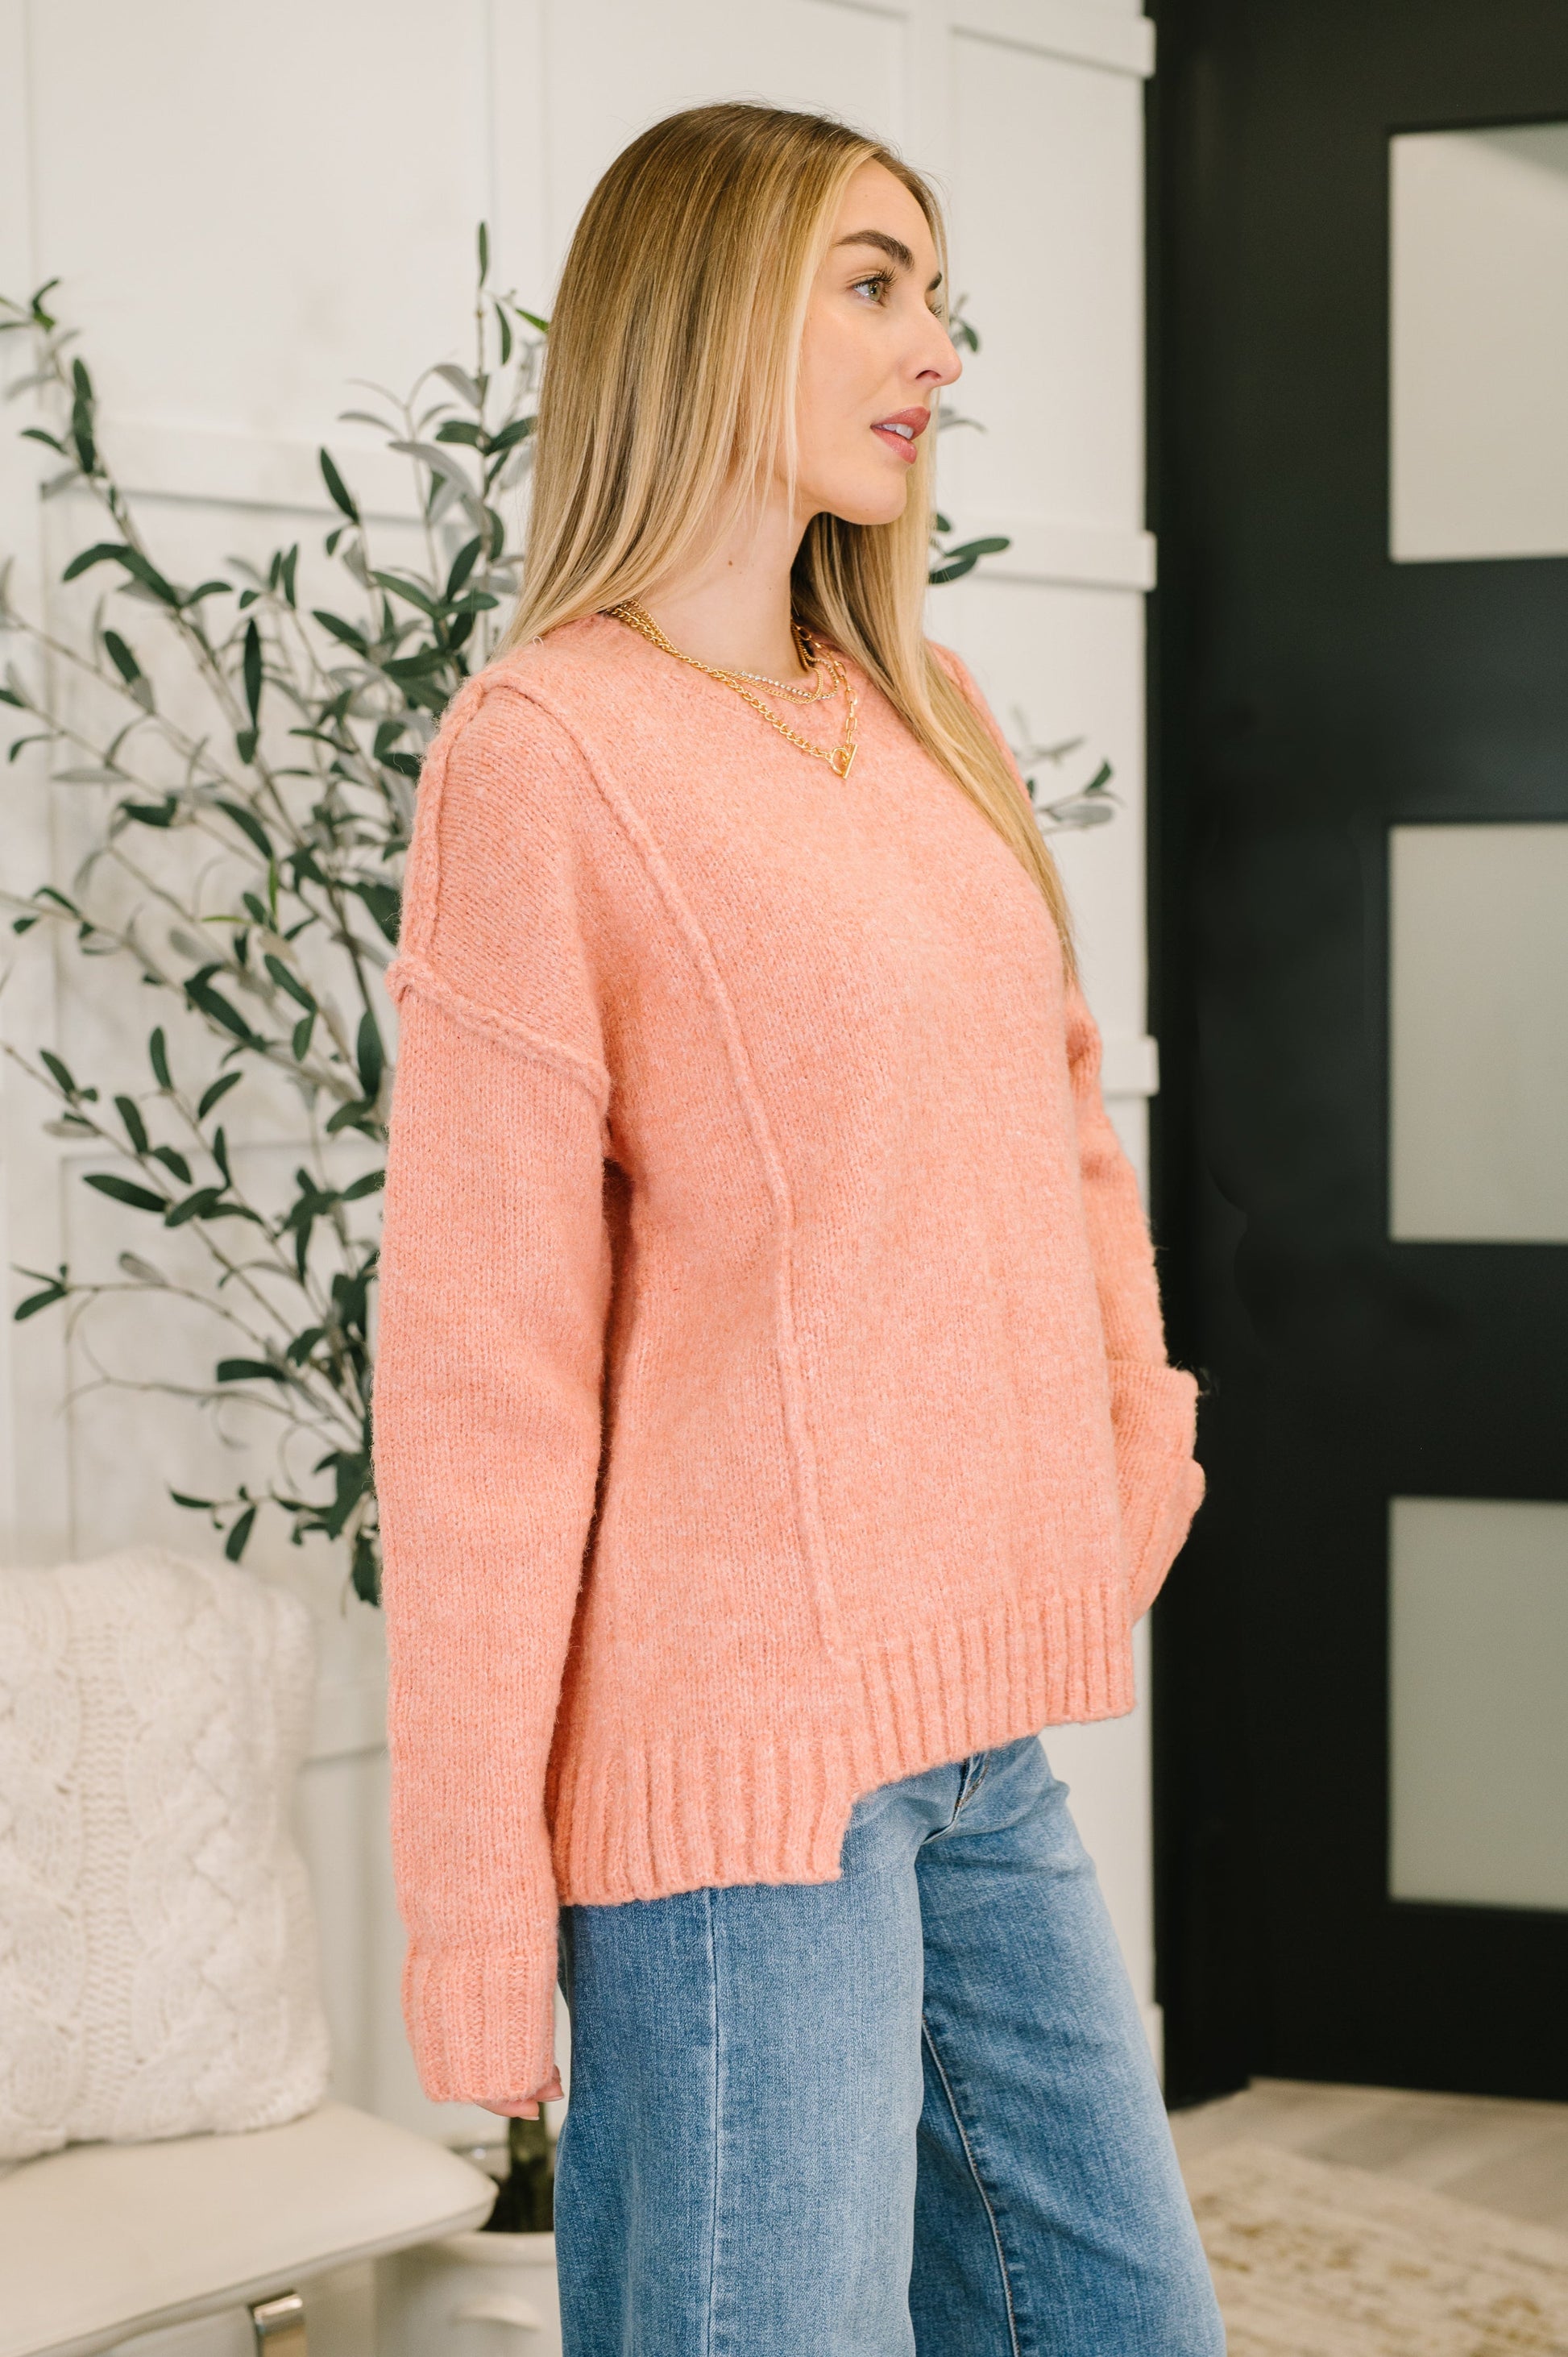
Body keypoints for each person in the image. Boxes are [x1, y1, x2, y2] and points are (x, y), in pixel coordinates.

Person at [372, 99, 1225, 2357]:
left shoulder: (930, 711)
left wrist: (1130, 1444)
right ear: (700, 312)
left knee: (1125, 2323)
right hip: (734, 1788)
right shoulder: (544, 754)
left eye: (938, 297)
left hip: (975, 1734)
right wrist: (477, 1911)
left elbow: (1058, 1121)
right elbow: (479, 1376)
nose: (934, 346)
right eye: (871, 284)